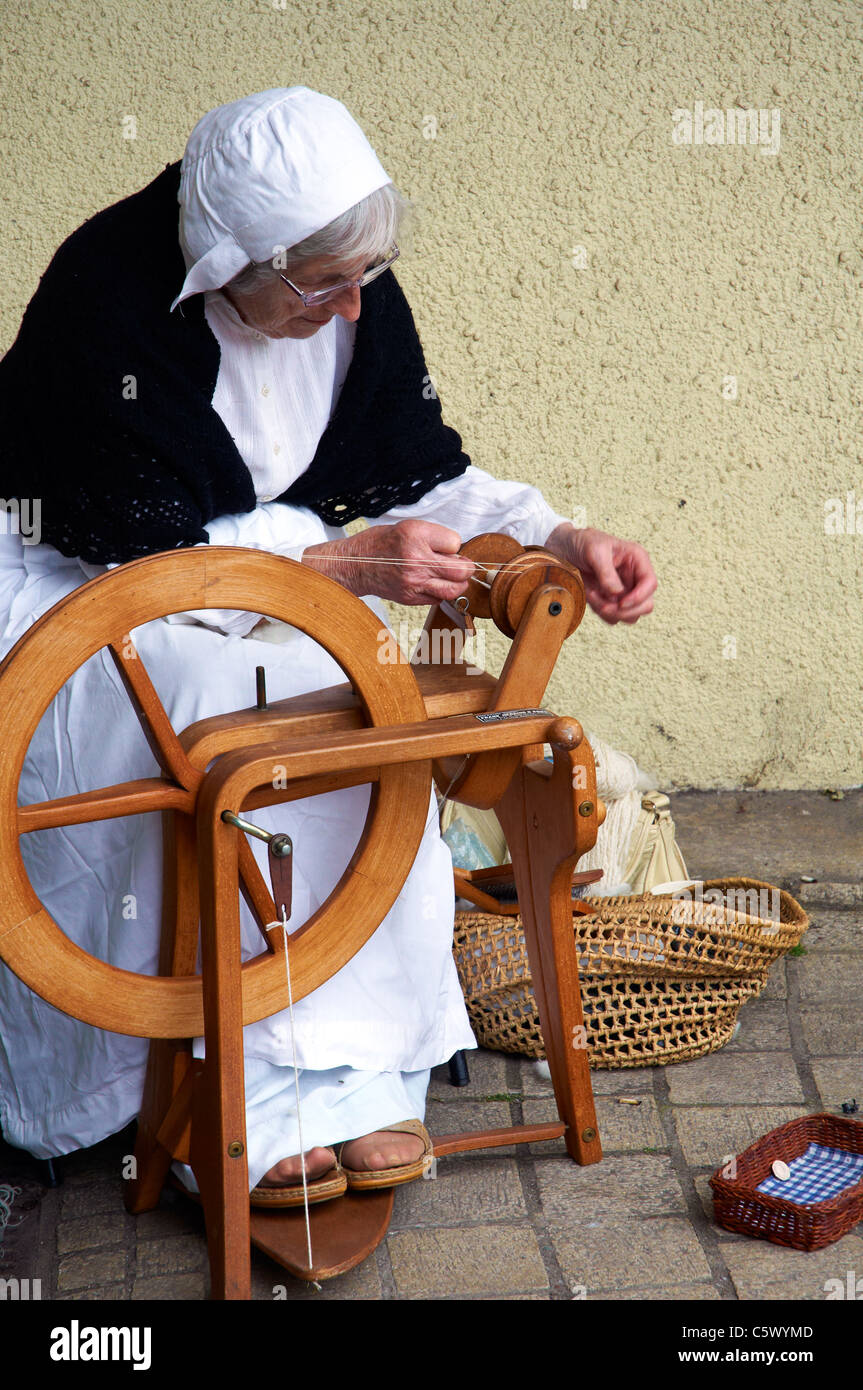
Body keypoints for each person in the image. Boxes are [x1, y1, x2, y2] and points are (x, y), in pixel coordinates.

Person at [0, 88, 656, 1203]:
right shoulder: (106, 303)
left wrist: (558, 530)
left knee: (357, 695)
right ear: (224, 264)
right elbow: (136, 553)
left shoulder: (349, 293)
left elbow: (421, 467)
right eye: (322, 287)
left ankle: (354, 1085)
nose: (353, 310)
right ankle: (222, 1094)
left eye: (365, 281)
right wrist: (346, 568)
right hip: (79, 584)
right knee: (227, 702)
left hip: (268, 591)